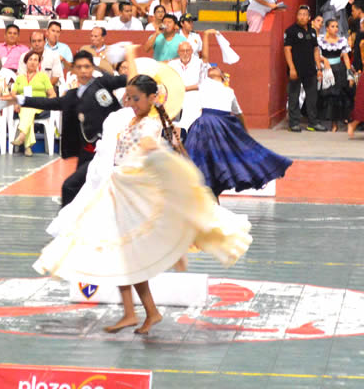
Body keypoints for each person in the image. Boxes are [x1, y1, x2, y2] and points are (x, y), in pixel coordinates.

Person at [33, 72, 252, 334]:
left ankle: (142, 306)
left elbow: (148, 150)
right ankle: (140, 312)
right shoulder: (130, 119)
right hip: (119, 191)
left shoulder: (151, 125)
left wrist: (153, 150)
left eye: (136, 98)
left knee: (124, 256)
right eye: (129, 97)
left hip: (132, 194)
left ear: (151, 98)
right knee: (121, 257)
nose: (131, 103)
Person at [4, 48, 134, 205]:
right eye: (79, 67)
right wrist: (20, 99)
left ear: (92, 68)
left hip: (111, 151)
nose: (83, 71)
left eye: (87, 66)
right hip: (88, 153)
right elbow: (50, 103)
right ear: (73, 70)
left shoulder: (103, 83)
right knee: (76, 190)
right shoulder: (72, 96)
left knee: (73, 187)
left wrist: (130, 54)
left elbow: (131, 79)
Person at [186, 67, 292, 198]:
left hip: (220, 128)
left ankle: (213, 195)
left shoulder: (229, 91)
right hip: (205, 126)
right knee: (200, 162)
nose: (213, 68)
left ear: (223, 76)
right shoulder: (204, 85)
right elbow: (185, 88)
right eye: (211, 68)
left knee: (217, 163)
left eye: (217, 68)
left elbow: (239, 114)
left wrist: (246, 135)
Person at [284, 5, 328, 132]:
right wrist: (291, 68)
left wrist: (318, 69)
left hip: (310, 70)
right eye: (300, 14)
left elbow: (315, 50)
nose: (302, 17)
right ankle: (294, 123)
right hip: (296, 69)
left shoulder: (312, 31)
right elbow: (287, 50)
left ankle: (313, 123)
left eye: (304, 15)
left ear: (309, 17)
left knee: (312, 97)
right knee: (294, 96)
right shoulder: (291, 31)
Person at [10, 51, 57, 156]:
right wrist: (16, 103)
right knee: (27, 110)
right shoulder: (20, 78)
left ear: (39, 63)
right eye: (30, 59)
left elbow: (53, 94)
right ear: (26, 62)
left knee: (28, 108)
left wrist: (46, 102)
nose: (32, 62)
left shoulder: (43, 76)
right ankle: (28, 147)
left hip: (39, 105)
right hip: (23, 106)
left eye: (35, 60)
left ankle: (22, 135)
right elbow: (13, 94)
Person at [318, 20, 354, 133]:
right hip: (326, 70)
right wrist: (323, 61)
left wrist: (349, 73)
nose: (335, 29)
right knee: (328, 96)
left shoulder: (342, 41)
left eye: (337, 26)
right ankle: (326, 122)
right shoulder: (320, 40)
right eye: (332, 26)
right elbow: (317, 54)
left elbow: (346, 58)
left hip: (339, 70)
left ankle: (338, 123)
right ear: (327, 28)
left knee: (338, 95)